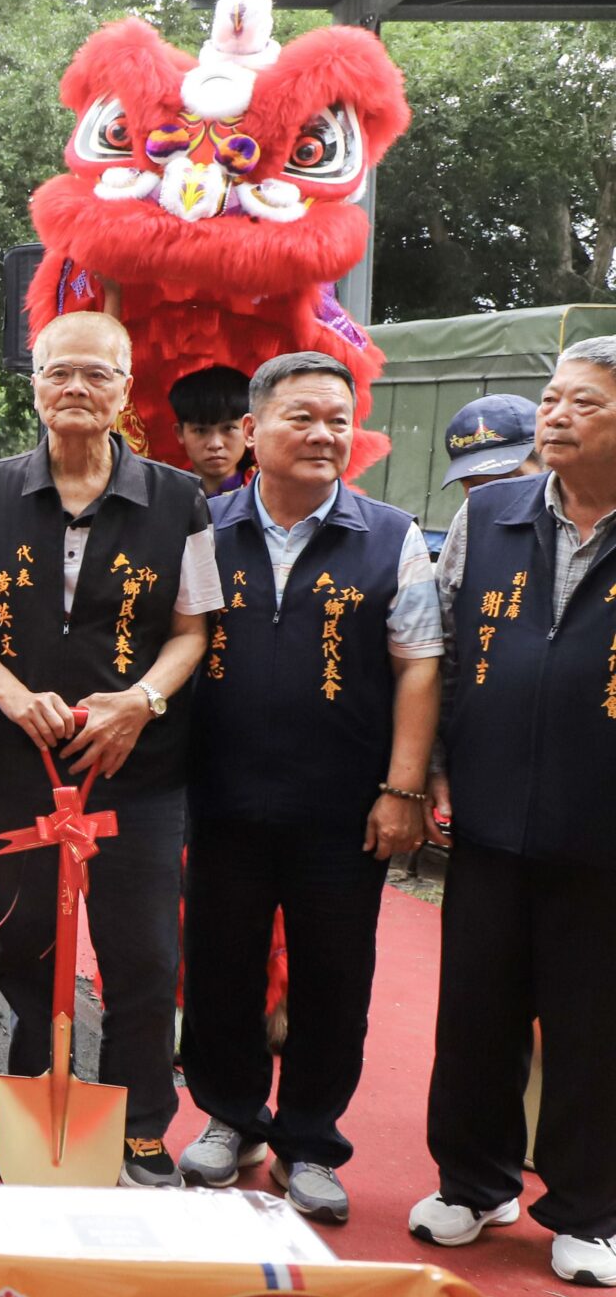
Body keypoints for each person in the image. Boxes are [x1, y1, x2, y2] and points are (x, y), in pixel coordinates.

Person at [177, 353, 440, 1225]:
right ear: (253, 431)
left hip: (342, 806)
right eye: (304, 417)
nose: (325, 434)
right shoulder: (205, 529)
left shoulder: (387, 534)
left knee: (335, 976)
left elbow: (416, 667)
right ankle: (231, 1119)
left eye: (339, 418)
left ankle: (311, 1142)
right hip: (222, 797)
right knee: (221, 965)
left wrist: (402, 788)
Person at [0, 312, 221, 1186]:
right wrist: (6, 691)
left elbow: (192, 631)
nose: (75, 388)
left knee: (143, 950)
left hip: (137, 771)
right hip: (20, 766)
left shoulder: (180, 499)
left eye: (96, 375)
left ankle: (142, 1125)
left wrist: (141, 702)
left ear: (124, 388)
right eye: (58, 373)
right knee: (26, 940)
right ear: (32, 383)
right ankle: (39, 1101)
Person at [415, 338, 616, 1288]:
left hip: (604, 831)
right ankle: (473, 1181)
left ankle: (588, 1208)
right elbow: (446, 645)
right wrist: (437, 766)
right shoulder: (489, 514)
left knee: (594, 1020)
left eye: (584, 401)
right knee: (476, 1010)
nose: (557, 414)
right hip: (491, 814)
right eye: (551, 397)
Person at [168, 364, 254, 497]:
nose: (215, 444)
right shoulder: (163, 496)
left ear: (249, 430)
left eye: (228, 428)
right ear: (180, 433)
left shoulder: (268, 494)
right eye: (200, 430)